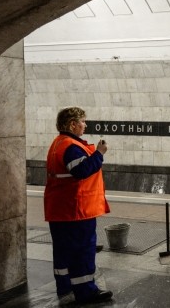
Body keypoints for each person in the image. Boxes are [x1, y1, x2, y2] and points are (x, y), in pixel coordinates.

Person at [44, 107, 113, 304]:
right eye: (83, 121)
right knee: (82, 249)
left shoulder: (58, 143)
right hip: (76, 210)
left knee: (63, 250)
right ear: (72, 124)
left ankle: (65, 287)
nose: (85, 125)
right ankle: (86, 291)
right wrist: (99, 153)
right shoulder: (70, 146)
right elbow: (82, 170)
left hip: (60, 208)